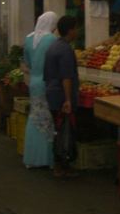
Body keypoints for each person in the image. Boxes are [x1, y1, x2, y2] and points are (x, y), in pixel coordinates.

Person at [44, 15, 80, 179]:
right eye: (76, 28)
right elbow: (66, 77)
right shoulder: (65, 50)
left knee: (58, 130)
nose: (77, 32)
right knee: (64, 130)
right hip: (60, 96)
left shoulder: (53, 46)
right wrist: (68, 100)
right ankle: (62, 165)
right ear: (71, 30)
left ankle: (59, 164)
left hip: (51, 93)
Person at [23, 11, 58, 169]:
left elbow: (27, 63)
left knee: (34, 117)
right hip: (47, 82)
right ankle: (46, 158)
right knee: (47, 120)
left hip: (34, 81)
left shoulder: (29, 39)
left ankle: (31, 157)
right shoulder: (51, 39)